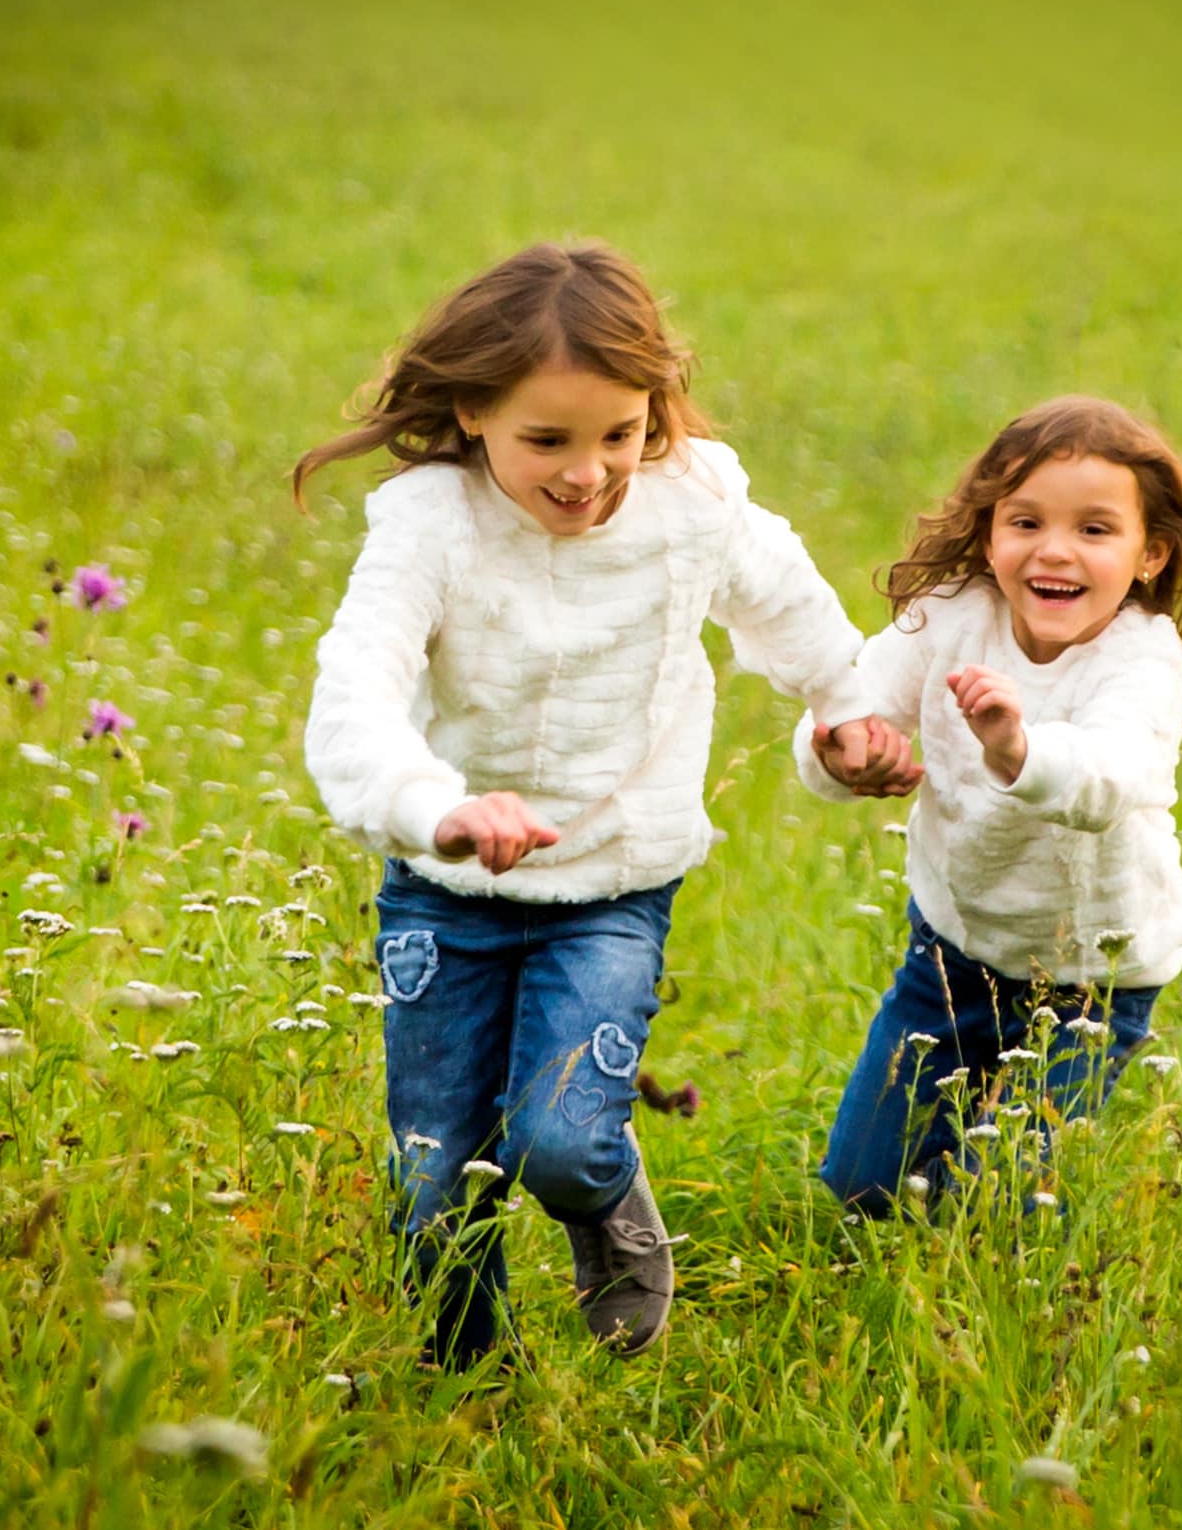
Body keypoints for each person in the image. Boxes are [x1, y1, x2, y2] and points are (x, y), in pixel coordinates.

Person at [298, 242, 913, 1369]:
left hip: (611, 887)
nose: (589, 472)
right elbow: (355, 690)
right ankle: (465, 1380)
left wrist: (849, 704)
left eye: (618, 434)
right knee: (437, 1165)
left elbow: (790, 604)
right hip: (448, 893)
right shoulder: (427, 523)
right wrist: (433, 805)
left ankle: (606, 1195)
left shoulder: (690, 499)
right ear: (475, 411)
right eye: (548, 440)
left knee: (560, 1140)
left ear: (652, 410)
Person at [795, 395, 1182, 1214]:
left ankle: (993, 1301)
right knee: (864, 1183)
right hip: (954, 950)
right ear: (988, 530)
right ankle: (906, 1235)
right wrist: (844, 747)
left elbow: (1113, 777)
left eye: (1095, 530)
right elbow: (851, 699)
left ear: (1150, 555)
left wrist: (1017, 748)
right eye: (1026, 521)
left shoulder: (1140, 654)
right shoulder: (952, 615)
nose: (1055, 551)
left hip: (1092, 979)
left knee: (1000, 1202)